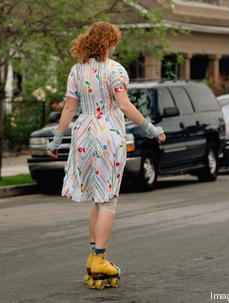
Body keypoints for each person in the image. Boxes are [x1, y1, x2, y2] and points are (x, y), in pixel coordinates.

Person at [47, 22, 166, 289]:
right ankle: (100, 258)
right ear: (108, 42)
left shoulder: (77, 70)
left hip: (83, 135)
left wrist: (57, 137)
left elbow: (69, 106)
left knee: (96, 199)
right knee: (108, 199)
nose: (116, 46)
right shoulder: (115, 70)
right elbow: (123, 104)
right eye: (114, 42)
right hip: (107, 135)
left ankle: (93, 255)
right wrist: (150, 128)